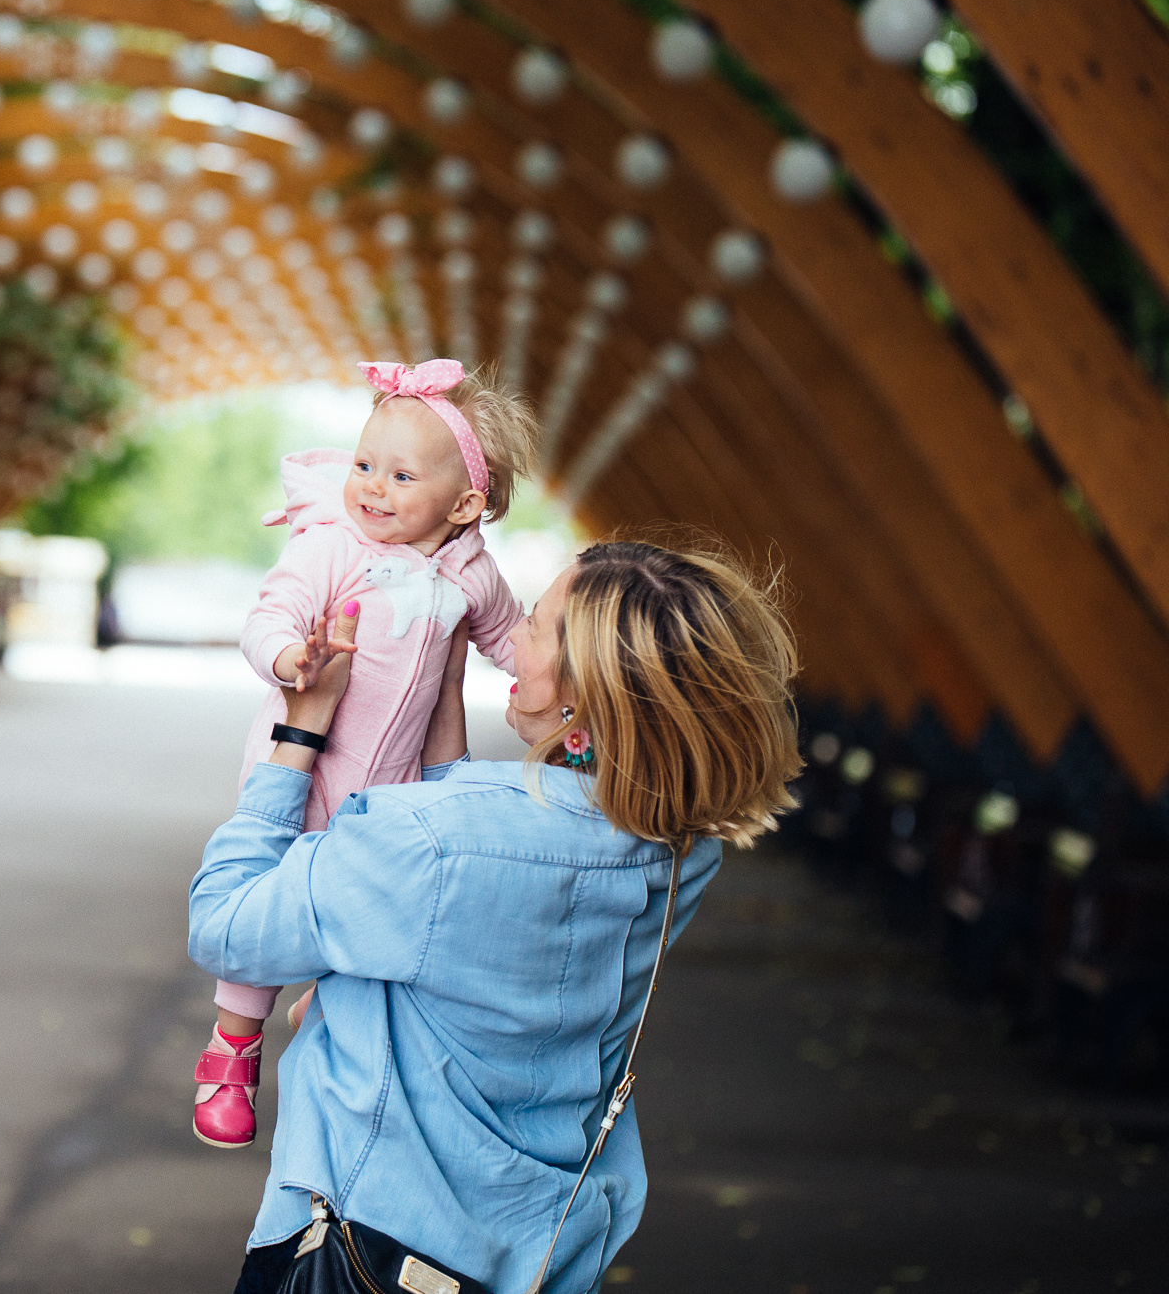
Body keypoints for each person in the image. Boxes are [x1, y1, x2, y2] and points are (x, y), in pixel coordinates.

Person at [190, 539, 801, 1294]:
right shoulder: (678, 855)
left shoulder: (421, 841)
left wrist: (299, 735)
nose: (509, 640)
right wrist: (444, 701)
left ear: (587, 693)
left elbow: (224, 924)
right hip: (535, 1258)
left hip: (354, 1252)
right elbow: (503, 901)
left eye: (536, 626)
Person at [192, 358, 537, 1149]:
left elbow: (517, 645)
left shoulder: (474, 574)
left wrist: (589, 682)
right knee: (272, 897)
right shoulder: (332, 546)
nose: (372, 487)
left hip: (395, 784)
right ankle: (233, 1044)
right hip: (301, 766)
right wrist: (289, 659)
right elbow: (268, 612)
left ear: (465, 502)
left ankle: (329, 999)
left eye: (401, 474)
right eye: (363, 464)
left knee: (382, 896)